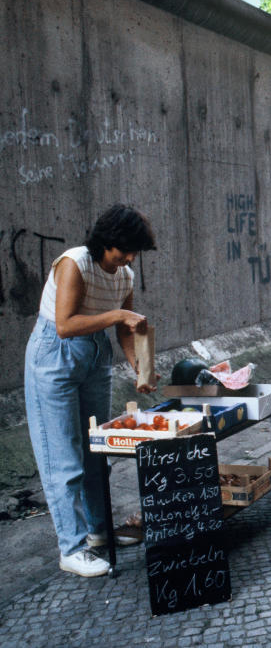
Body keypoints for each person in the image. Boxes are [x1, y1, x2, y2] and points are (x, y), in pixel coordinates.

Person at [23, 204, 157, 578]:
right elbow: (65, 325)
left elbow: (124, 330)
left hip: (96, 354)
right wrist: (117, 315)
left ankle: (99, 532)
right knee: (63, 458)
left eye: (134, 251)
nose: (130, 257)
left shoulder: (124, 275)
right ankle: (71, 547)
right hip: (56, 354)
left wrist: (138, 365)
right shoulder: (75, 263)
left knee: (97, 450)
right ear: (107, 241)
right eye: (124, 249)